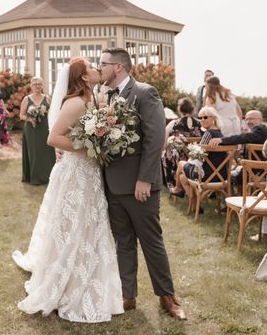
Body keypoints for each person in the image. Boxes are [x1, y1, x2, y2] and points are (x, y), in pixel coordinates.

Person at [12, 57, 124, 322]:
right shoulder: (74, 103)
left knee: (90, 225)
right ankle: (65, 283)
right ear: (84, 77)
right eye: (92, 68)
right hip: (76, 173)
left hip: (90, 172)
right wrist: (89, 147)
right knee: (73, 226)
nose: (98, 69)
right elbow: (54, 138)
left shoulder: (94, 99)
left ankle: (87, 277)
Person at [99, 47, 186, 320]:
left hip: (139, 186)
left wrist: (145, 179)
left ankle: (167, 297)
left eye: (103, 64)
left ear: (119, 67)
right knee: (123, 242)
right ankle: (128, 295)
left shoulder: (145, 93)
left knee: (151, 242)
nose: (99, 68)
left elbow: (155, 139)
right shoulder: (109, 96)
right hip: (113, 184)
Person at [172, 107, 225, 209]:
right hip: (221, 175)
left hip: (206, 175)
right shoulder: (219, 134)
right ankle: (196, 207)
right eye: (200, 117)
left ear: (213, 118)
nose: (202, 120)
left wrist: (184, 146)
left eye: (205, 117)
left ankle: (177, 189)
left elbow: (197, 156)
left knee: (180, 164)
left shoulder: (208, 134)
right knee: (183, 177)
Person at [19, 77, 55, 185]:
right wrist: (30, 119)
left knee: (47, 152)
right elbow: (21, 115)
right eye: (35, 84)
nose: (37, 86)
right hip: (31, 129)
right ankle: (34, 177)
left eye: (39, 84)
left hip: (45, 128)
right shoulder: (26, 99)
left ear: (43, 85)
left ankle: (48, 176)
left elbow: (52, 113)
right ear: (31, 86)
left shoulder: (47, 98)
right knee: (34, 152)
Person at [163, 98, 201, 186]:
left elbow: (164, 145)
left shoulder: (173, 124)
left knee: (165, 152)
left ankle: (174, 184)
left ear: (179, 109)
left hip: (177, 161)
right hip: (195, 159)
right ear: (192, 109)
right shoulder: (200, 123)